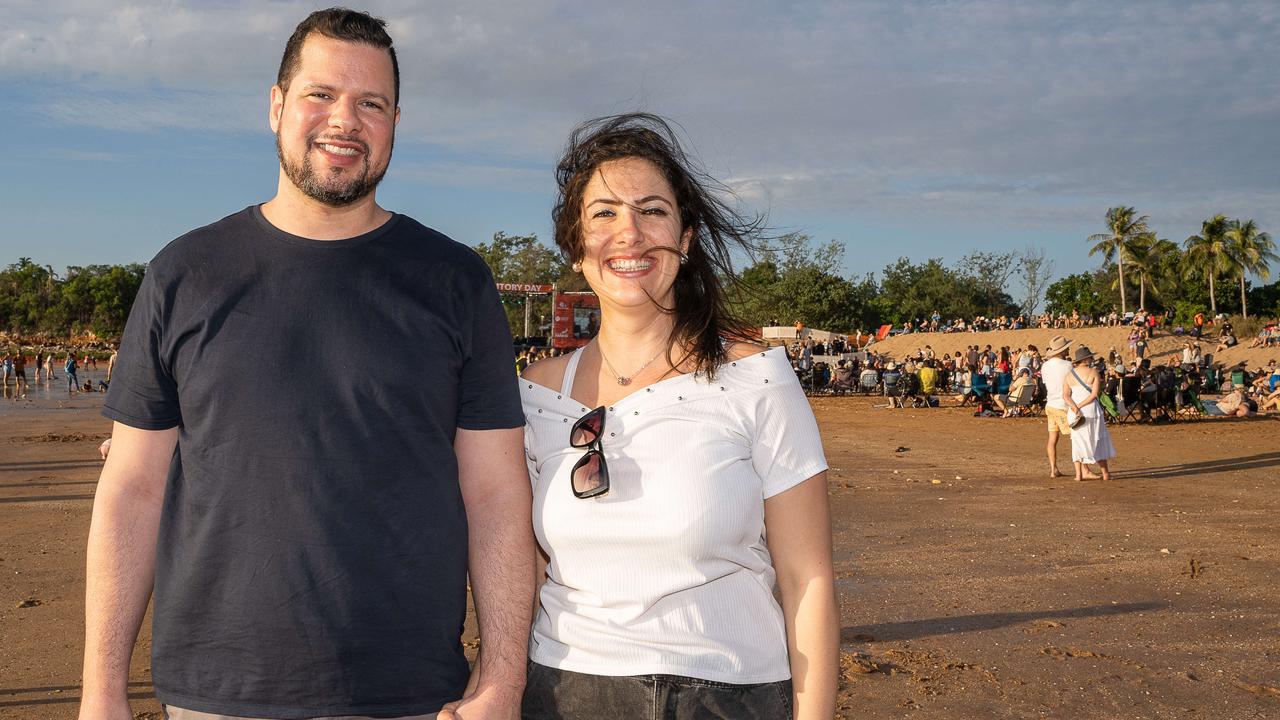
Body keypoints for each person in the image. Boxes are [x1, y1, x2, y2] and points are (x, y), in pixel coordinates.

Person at [79, 10, 533, 720]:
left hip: (410, 693)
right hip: (216, 693)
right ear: (276, 105)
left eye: (371, 103)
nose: (344, 121)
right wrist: (101, 691)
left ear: (395, 121)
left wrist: (504, 681)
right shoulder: (185, 273)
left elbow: (497, 495)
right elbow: (132, 489)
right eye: (320, 94)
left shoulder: (455, 281)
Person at [518, 114, 838, 719]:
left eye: (653, 211)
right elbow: (524, 575)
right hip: (564, 692)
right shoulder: (532, 397)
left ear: (686, 238)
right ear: (575, 241)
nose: (629, 234)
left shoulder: (757, 380)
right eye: (604, 213)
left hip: (727, 695)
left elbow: (808, 579)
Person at [1062, 345, 1116, 481]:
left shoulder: (1069, 374)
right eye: (1091, 357)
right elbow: (1094, 395)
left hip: (1074, 412)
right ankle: (1105, 474)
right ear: (1086, 359)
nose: (1092, 359)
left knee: (1077, 441)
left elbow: (1065, 396)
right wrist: (1079, 406)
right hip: (1091, 409)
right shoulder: (1093, 372)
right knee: (1097, 439)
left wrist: (1075, 408)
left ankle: (1078, 475)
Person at [1041, 335, 1078, 479]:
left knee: (1052, 439)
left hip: (1050, 404)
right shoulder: (1068, 366)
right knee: (1075, 437)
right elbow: (1073, 384)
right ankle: (1082, 469)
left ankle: (1053, 469)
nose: (1069, 349)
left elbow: (1046, 383)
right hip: (1063, 406)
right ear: (1062, 350)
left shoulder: (1045, 365)